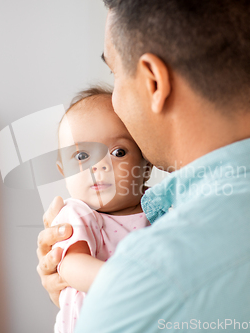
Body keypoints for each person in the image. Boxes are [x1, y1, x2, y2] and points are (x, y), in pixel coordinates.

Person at [37, 0, 250, 332]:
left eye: (116, 74)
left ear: (154, 81)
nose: (115, 102)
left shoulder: (143, 284)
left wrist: (107, 306)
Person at [50, 86, 151, 333]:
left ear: (145, 166)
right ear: (64, 171)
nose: (99, 166)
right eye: (82, 155)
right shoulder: (79, 213)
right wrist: (132, 285)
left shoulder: (159, 210)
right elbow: (71, 265)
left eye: (118, 152)